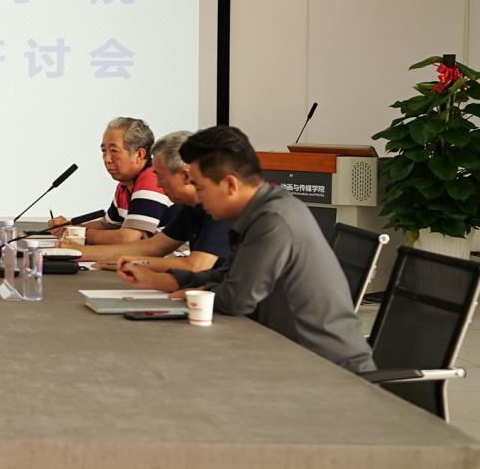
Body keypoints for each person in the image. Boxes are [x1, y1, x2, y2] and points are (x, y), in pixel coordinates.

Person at [119, 126, 375, 374]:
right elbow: (228, 274)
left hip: (329, 370)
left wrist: (192, 292)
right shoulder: (260, 211)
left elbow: (235, 299)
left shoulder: (274, 220)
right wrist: (167, 280)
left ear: (230, 185)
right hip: (287, 354)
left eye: (201, 188)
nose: (198, 198)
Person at [59, 131, 230, 273]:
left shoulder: (219, 206)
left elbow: (196, 266)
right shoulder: (191, 208)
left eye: (161, 177)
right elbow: (153, 246)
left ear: (185, 176)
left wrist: (132, 262)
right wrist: (81, 252)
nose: (158, 184)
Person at [47, 117, 177, 245]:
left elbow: (128, 238)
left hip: (174, 257)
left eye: (114, 151)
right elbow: (108, 225)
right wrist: (70, 227)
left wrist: (78, 234)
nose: (107, 159)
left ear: (139, 154)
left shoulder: (152, 178)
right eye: (104, 151)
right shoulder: (124, 185)